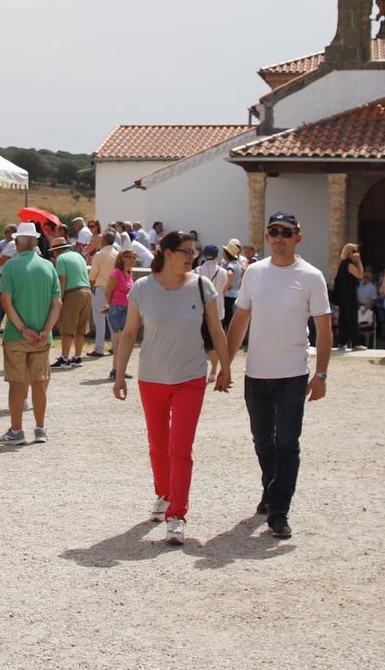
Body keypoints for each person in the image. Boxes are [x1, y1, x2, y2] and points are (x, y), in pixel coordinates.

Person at [113, 231, 232, 544]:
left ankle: (176, 514)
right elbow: (128, 334)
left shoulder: (202, 286)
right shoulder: (142, 288)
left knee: (181, 448)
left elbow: (217, 332)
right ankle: (163, 494)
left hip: (190, 377)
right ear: (166, 253)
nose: (190, 256)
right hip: (151, 376)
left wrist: (225, 368)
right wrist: (119, 374)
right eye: (184, 251)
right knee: (158, 444)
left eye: (193, 251)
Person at [225, 211, 332, 540]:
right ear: (267, 236)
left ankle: (279, 510)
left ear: (298, 236)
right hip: (256, 373)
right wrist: (225, 365)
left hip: (292, 375)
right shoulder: (254, 273)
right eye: (274, 231)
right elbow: (240, 318)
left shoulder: (311, 276)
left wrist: (322, 374)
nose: (280, 237)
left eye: (286, 232)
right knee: (262, 439)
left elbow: (324, 329)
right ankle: (271, 489)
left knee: (287, 443)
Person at [0, 221, 61, 445]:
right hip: (42, 338)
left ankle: (16, 430)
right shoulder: (49, 266)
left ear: (17, 242)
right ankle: (40, 429)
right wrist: (45, 330)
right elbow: (57, 303)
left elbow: (6, 301)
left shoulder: (11, 267)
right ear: (35, 242)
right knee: (39, 383)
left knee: (17, 384)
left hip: (17, 335)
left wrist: (23, 329)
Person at [51, 235, 93, 368]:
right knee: (80, 328)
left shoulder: (61, 259)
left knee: (67, 328)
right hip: (87, 292)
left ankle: (64, 358)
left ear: (56, 250)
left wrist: (60, 298)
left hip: (73, 293)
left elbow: (62, 279)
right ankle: (77, 357)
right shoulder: (78, 256)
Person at [194, 245, 231, 378]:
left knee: (198, 340)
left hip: (201, 308)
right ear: (217, 255)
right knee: (215, 339)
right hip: (218, 307)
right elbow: (224, 291)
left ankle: (198, 370)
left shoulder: (198, 270)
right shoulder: (223, 272)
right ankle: (214, 371)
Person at [102, 247, 138, 369]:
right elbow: (108, 292)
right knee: (120, 342)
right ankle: (116, 370)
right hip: (117, 309)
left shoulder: (128, 273)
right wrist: (110, 304)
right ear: (121, 258)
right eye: (128, 257)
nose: (131, 260)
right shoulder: (116, 273)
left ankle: (119, 369)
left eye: (133, 257)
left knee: (124, 342)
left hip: (127, 309)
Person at [87, 232, 118, 358]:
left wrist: (92, 285)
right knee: (112, 319)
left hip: (100, 288)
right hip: (114, 289)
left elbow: (93, 274)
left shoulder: (99, 255)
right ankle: (115, 347)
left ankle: (99, 348)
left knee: (99, 319)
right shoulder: (118, 254)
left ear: (104, 241)